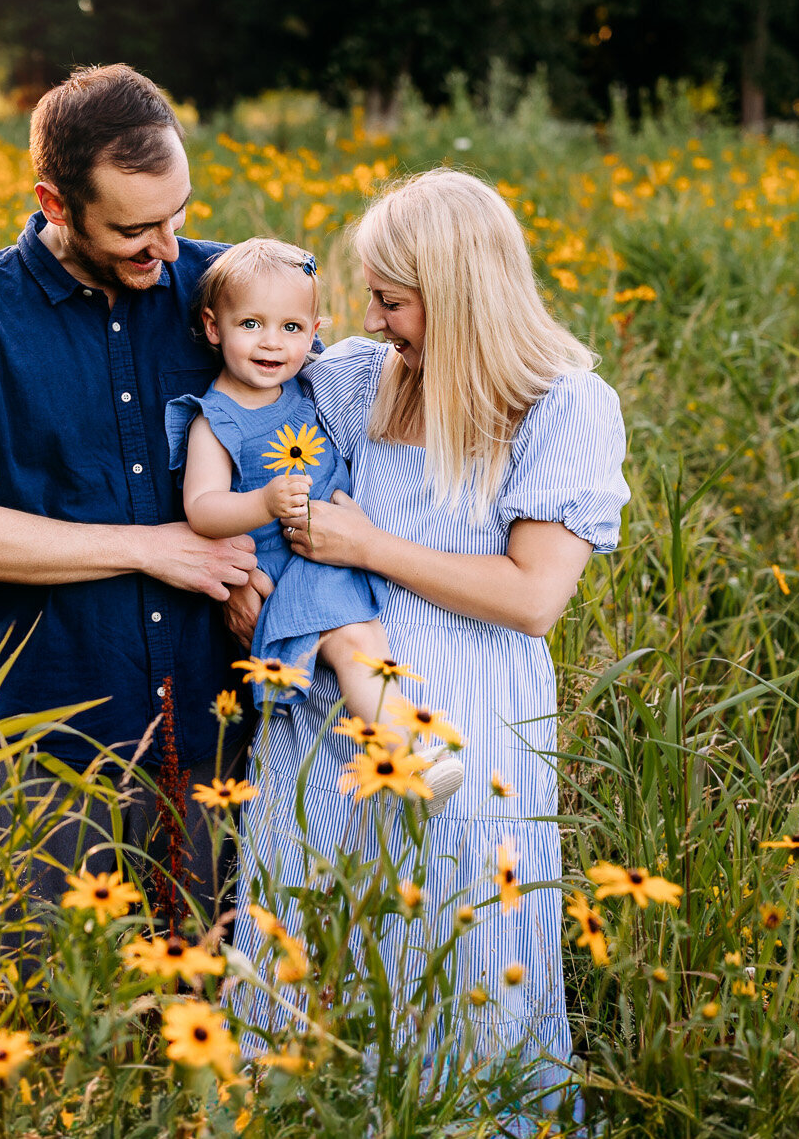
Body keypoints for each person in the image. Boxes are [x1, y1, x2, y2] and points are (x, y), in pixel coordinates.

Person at [234, 167, 630, 1111]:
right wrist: (253, 581)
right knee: (305, 947)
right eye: (369, 293)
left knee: (459, 960)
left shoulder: (561, 403)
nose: (369, 319)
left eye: (392, 299)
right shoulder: (354, 378)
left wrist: (370, 543)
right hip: (326, 716)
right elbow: (259, 443)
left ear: (457, 293)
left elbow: (535, 596)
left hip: (467, 727)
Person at [0, 64, 267, 922]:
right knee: (53, 1011)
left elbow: (321, 443)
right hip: (47, 741)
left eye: (178, 214)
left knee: (215, 1008)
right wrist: (149, 546)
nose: (167, 247)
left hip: (222, 730)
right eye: (136, 228)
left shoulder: (230, 295)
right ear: (56, 204)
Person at [167, 237, 464, 814]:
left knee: (371, 643)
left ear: (315, 331)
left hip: (332, 551)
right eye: (250, 323)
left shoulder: (308, 385)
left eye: (292, 328)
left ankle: (401, 752)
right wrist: (265, 503)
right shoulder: (216, 417)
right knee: (358, 645)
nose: (272, 342)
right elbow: (202, 508)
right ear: (212, 326)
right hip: (289, 562)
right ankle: (403, 760)